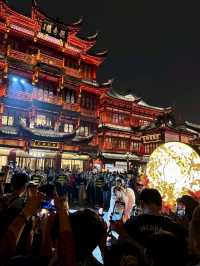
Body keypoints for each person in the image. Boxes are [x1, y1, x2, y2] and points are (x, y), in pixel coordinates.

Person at [115, 188, 187, 249]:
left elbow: (120, 249)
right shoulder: (173, 226)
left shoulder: (132, 223)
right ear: (160, 205)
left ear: (142, 204)